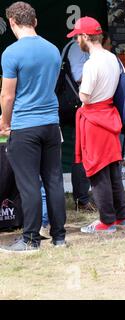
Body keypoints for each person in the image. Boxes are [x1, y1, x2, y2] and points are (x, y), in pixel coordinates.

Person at [0, 2, 66, 252]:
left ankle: (30, 240)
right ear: (35, 22)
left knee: (28, 184)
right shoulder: (53, 49)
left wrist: (5, 122)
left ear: (13, 23)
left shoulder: (11, 52)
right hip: (51, 124)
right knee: (54, 181)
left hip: (25, 125)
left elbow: (7, 96)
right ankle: (59, 238)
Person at [68, 16, 125, 233]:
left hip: (95, 120)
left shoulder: (92, 63)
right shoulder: (112, 57)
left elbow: (84, 96)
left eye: (77, 37)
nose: (77, 41)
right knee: (113, 170)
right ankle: (122, 216)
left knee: (97, 172)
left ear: (86, 36)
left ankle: (106, 221)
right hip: (110, 117)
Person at [60, 34, 97, 212]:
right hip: (78, 105)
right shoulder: (75, 47)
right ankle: (82, 199)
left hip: (85, 105)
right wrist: (100, 74)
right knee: (82, 152)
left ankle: (85, 197)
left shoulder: (80, 48)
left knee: (87, 150)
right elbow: (77, 76)